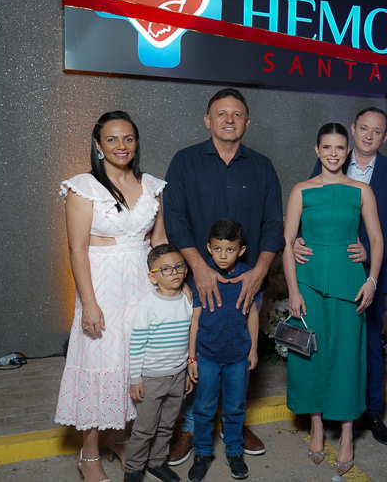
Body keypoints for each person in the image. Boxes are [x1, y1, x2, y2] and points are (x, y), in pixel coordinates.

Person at [164, 88, 284, 461]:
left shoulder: (262, 166)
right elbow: (174, 219)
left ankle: (235, 422)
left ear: (247, 122)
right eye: (221, 113)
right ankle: (191, 427)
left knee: (239, 354)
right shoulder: (185, 162)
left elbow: (273, 224)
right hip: (199, 282)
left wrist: (259, 271)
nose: (229, 120)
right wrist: (198, 268)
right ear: (207, 120)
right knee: (199, 354)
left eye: (236, 114)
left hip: (246, 284)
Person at [55, 111, 168, 482]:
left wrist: (169, 288)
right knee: (99, 366)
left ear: (136, 143)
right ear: (98, 145)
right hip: (102, 286)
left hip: (142, 284)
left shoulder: (151, 185)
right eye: (112, 139)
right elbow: (76, 248)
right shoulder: (83, 186)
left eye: (128, 138)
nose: (122, 146)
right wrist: (89, 303)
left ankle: (121, 439)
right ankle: (89, 455)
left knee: (134, 364)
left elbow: (159, 242)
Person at [293, 107, 387, 446]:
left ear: (385, 137)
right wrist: (299, 239)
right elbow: (311, 209)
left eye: (377, 130)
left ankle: (370, 413)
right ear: (353, 130)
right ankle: (324, 415)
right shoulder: (329, 161)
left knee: (366, 345)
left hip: (363, 274)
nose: (369, 135)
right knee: (321, 345)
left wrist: (369, 253)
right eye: (364, 128)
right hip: (321, 272)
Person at [282, 123, 384, 477]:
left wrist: (371, 279)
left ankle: (346, 433)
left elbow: (376, 239)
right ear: (317, 150)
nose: (333, 154)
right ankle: (315, 424)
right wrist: (293, 290)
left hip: (349, 283)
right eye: (327, 147)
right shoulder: (301, 190)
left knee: (347, 357)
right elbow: (287, 242)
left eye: (340, 148)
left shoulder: (361, 190)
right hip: (308, 283)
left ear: (348, 151)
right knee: (307, 353)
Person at [186, 219, 259, 482]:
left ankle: (234, 452)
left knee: (235, 406)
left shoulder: (248, 276)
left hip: (238, 356)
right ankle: (202, 453)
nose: (223, 255)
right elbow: (195, 320)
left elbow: (252, 315)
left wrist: (253, 349)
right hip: (207, 355)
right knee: (204, 406)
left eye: (230, 250)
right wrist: (192, 357)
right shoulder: (201, 276)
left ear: (241, 250)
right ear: (209, 248)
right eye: (217, 249)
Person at [123, 244, 193, 482]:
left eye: (179, 267)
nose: (174, 272)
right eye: (165, 269)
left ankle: (156, 463)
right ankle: (133, 470)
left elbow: (189, 339)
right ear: (152, 277)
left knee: (167, 424)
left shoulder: (187, 301)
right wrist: (135, 379)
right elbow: (137, 345)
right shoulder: (148, 305)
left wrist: (186, 373)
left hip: (178, 375)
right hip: (152, 377)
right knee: (144, 428)